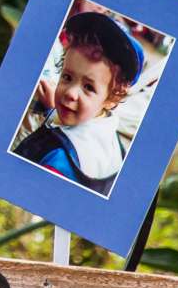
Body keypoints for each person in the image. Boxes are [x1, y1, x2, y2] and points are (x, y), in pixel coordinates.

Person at [11, 11, 140, 196]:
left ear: (111, 100)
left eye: (88, 87)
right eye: (67, 77)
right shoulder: (111, 136)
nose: (70, 93)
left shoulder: (56, 162)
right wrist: (50, 110)